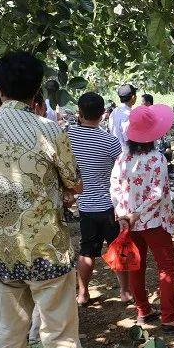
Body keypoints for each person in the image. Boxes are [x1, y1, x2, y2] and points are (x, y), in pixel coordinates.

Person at [0, 51, 84, 348]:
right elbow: (74, 183)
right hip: (48, 251)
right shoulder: (47, 129)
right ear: (37, 90)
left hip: (2, 251)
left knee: (7, 336)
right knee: (60, 339)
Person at [110, 103, 174, 332]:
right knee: (166, 267)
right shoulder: (157, 159)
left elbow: (114, 187)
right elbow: (157, 193)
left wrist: (124, 214)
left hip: (129, 222)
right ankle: (169, 317)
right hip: (155, 221)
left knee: (136, 265)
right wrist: (137, 214)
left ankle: (143, 310)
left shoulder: (122, 159)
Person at [67, 92, 130, 307]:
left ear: (79, 113)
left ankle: (83, 293)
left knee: (87, 252)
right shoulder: (110, 142)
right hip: (109, 206)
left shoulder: (68, 139)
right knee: (117, 249)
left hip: (85, 205)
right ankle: (124, 291)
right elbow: (122, 173)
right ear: (103, 114)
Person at [109, 84, 137, 149]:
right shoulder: (128, 115)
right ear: (133, 97)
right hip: (125, 152)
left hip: (114, 149)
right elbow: (128, 138)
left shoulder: (114, 112)